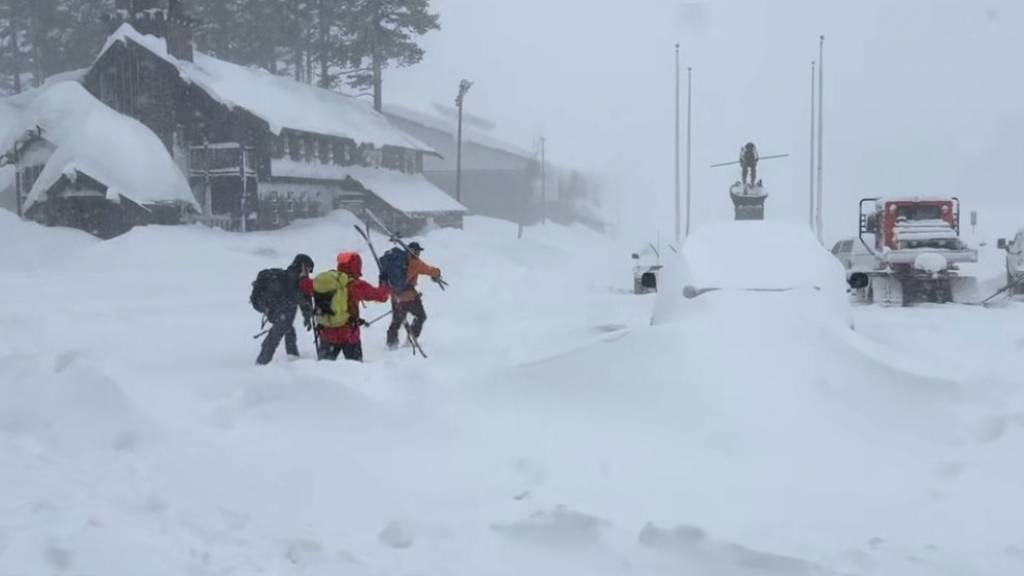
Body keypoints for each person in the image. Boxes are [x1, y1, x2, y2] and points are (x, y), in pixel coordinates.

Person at [306, 252, 390, 361]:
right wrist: (384, 283)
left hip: (326, 333)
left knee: (324, 370)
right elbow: (382, 296)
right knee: (356, 370)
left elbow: (306, 286)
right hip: (349, 335)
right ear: (357, 266)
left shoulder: (327, 282)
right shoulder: (356, 285)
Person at [252, 254, 315, 365]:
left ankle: (292, 358)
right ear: (303, 266)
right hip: (279, 311)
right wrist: (307, 313)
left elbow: (300, 298)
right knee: (278, 333)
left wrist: (307, 314)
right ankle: (262, 362)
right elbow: (298, 297)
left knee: (288, 330)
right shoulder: (292, 277)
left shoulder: (292, 277)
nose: (309, 273)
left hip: (280, 310)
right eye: (309, 269)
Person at [385, 242, 442, 349]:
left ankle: (391, 344)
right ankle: (411, 340)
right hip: (410, 298)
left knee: (396, 322)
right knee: (421, 316)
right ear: (414, 251)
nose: (419, 253)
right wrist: (437, 272)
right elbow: (429, 270)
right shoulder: (415, 263)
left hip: (395, 297)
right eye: (418, 251)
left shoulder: (396, 261)